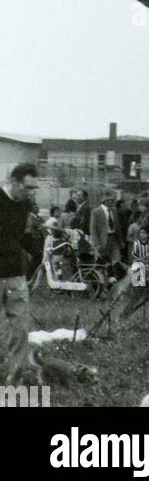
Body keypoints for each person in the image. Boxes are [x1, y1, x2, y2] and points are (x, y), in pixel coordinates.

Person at [0, 163, 40, 385]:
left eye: (34, 188)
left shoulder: (24, 204)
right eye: (27, 187)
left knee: (20, 330)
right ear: (15, 182)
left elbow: (20, 237)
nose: (31, 193)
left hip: (16, 275)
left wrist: (36, 247)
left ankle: (13, 382)